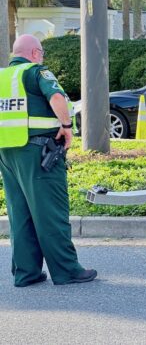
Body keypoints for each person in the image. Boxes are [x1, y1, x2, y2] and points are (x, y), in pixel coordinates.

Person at [0, 34, 96, 287]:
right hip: (39, 152)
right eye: (41, 52)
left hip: (8, 153)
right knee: (50, 212)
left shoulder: (2, 77)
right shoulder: (36, 72)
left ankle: (26, 273)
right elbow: (57, 97)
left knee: (20, 214)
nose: (42, 57)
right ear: (34, 53)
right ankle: (67, 270)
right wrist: (66, 126)